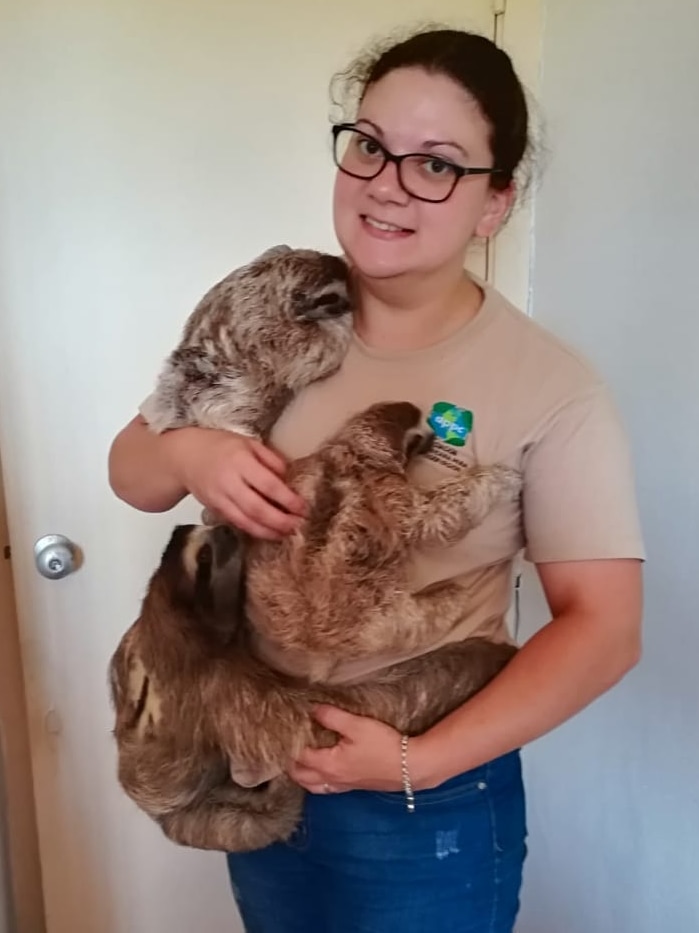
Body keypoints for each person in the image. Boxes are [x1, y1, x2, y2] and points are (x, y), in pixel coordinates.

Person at [108, 26, 644, 933]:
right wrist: (191, 452)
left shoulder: (550, 386)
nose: (387, 182)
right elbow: (134, 475)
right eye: (368, 145)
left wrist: (415, 762)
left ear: (493, 202)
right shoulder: (271, 310)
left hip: (423, 801)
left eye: (435, 164)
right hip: (259, 764)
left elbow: (604, 628)